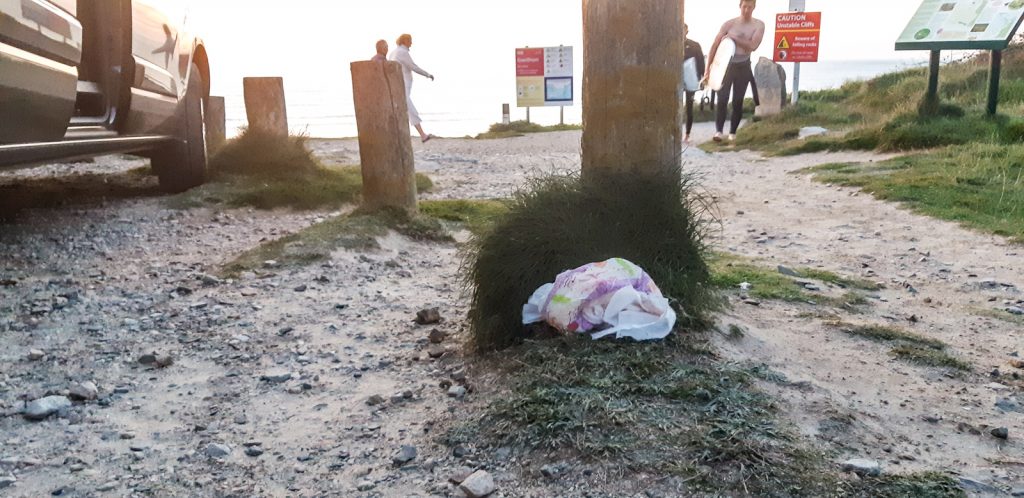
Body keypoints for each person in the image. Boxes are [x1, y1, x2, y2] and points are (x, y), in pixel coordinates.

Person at [703, 0, 765, 142]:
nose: (746, 10)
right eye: (744, 7)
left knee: (738, 101)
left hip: (743, 65)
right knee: (722, 98)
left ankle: (732, 133)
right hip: (726, 65)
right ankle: (719, 131)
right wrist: (708, 69)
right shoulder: (729, 24)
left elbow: (753, 45)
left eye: (750, 7)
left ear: (754, 7)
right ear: (740, 6)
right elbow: (715, 45)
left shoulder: (758, 25)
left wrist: (733, 37)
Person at [388, 33, 436, 143]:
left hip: (396, 85)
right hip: (403, 85)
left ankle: (399, 135)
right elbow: (413, 67)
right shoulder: (402, 52)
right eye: (410, 41)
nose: (411, 43)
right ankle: (423, 135)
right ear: (405, 41)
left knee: (401, 110)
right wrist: (427, 74)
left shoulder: (393, 52)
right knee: (410, 109)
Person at [682, 23, 706, 144]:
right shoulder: (671, 44)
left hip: (691, 79)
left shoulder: (695, 46)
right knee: (674, 106)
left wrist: (702, 80)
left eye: (683, 29)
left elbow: (701, 62)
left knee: (689, 107)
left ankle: (687, 134)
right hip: (676, 79)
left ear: (687, 31)